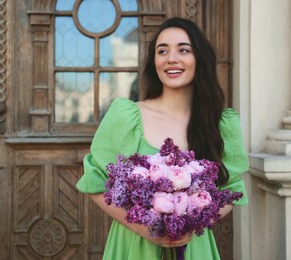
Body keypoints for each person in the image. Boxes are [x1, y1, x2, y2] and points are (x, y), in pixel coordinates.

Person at [76, 17, 248, 260]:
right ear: (154, 61)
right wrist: (144, 228)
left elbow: (232, 188)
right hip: (134, 245)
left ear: (200, 59)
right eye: (162, 51)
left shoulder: (222, 124)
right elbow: (94, 184)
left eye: (184, 50)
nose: (171, 58)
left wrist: (192, 221)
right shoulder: (126, 116)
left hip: (193, 247)